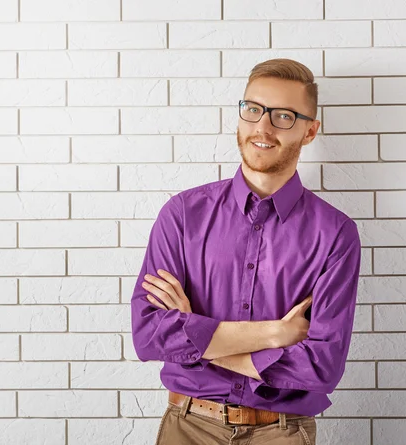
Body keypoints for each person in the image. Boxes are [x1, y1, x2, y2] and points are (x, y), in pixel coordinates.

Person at [130, 58, 362, 445]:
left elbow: (322, 367)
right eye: (253, 109)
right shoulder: (183, 215)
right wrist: (276, 333)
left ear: (310, 131)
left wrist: (196, 335)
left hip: (282, 432)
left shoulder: (335, 234)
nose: (263, 127)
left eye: (283, 116)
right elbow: (149, 335)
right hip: (188, 428)